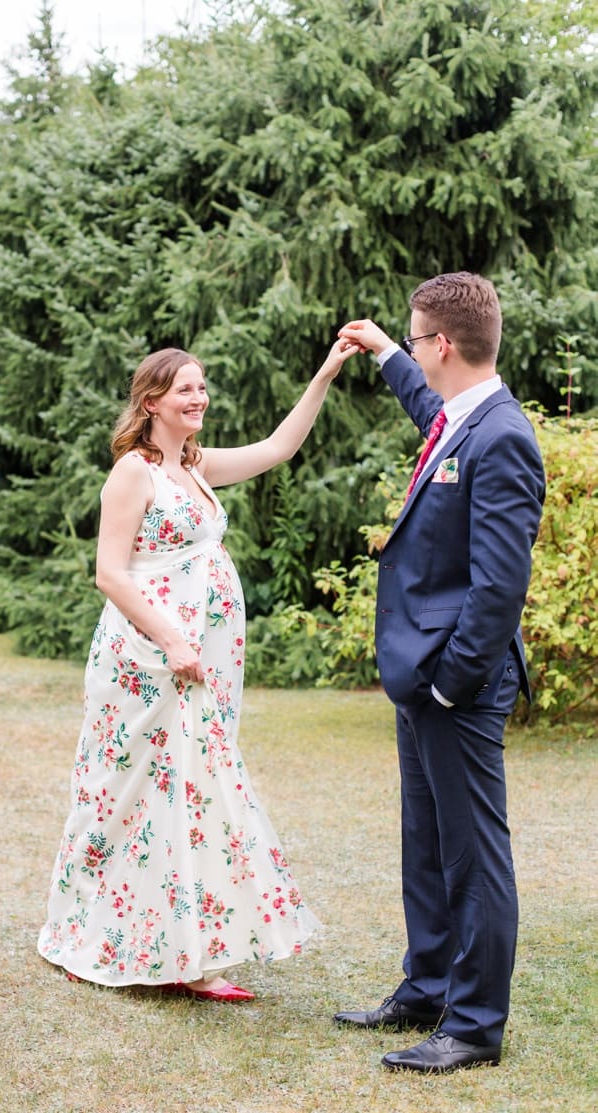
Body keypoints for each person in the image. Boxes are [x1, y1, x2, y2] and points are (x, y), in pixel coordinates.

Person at [38, 339, 357, 1000]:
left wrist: (326, 372)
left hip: (200, 662)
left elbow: (278, 448)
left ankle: (194, 954)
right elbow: (110, 572)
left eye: (202, 386)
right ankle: (82, 935)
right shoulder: (135, 472)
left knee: (193, 792)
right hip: (144, 661)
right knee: (123, 792)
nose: (199, 397)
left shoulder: (197, 465)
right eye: (185, 388)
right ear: (151, 401)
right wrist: (173, 640)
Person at [335, 273, 544, 1073]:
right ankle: (426, 987)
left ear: (445, 345)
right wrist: (387, 352)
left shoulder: (503, 436)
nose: (415, 349)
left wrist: (452, 682)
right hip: (421, 680)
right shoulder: (462, 418)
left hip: (457, 684)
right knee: (426, 842)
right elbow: (431, 412)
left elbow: (499, 587)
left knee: (472, 854)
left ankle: (474, 1023)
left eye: (416, 338)